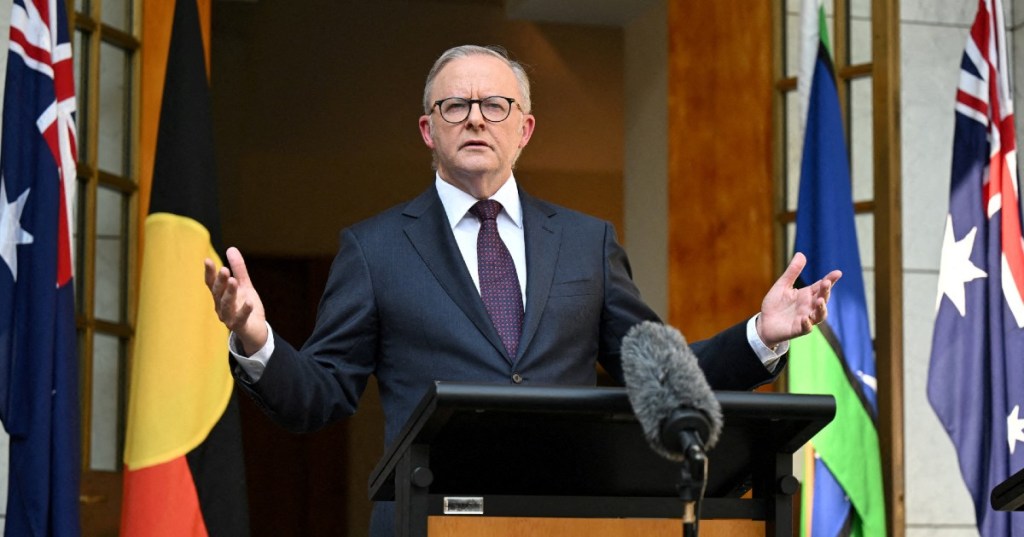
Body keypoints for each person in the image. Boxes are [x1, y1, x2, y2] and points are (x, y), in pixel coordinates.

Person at [204, 44, 841, 536]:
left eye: (495, 105)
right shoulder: (374, 250)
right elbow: (318, 396)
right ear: (428, 129)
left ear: (525, 128)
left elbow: (661, 372)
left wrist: (760, 335)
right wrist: (256, 339)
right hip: (427, 520)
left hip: (566, 518)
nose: (475, 119)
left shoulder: (587, 242)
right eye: (454, 107)